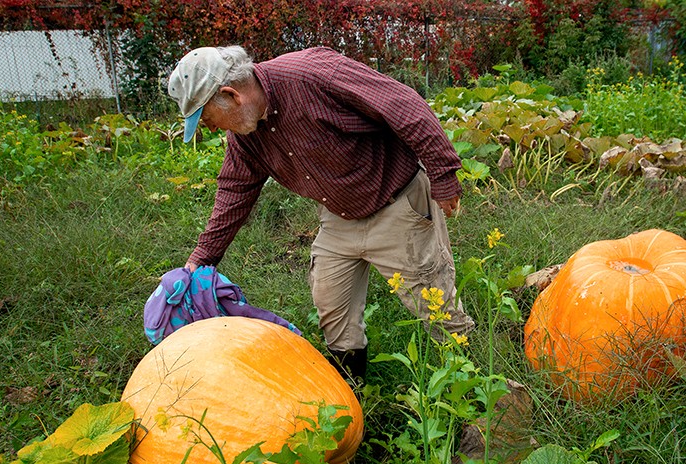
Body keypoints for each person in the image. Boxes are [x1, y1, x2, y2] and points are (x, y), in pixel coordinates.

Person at [167, 45, 475, 383]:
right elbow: (235, 190)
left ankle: (471, 382)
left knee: (434, 303)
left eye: (208, 119)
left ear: (231, 95)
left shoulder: (312, 75)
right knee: (331, 303)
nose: (212, 129)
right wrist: (201, 259)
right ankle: (354, 392)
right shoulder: (246, 136)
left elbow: (403, 105)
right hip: (339, 215)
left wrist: (443, 174)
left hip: (397, 202)